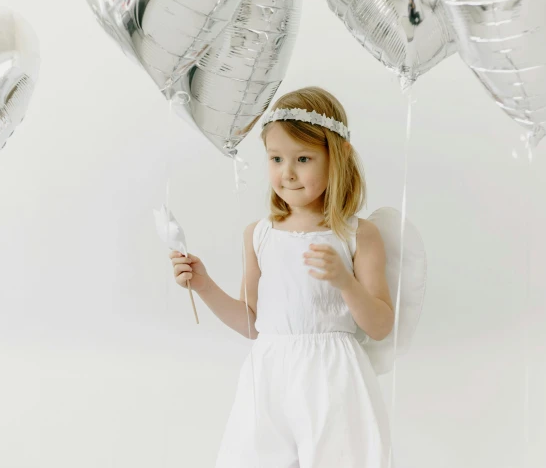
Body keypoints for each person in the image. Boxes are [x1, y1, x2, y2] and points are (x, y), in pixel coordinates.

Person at [169, 86, 395, 467]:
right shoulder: (259, 234)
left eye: (303, 158)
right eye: (275, 158)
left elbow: (380, 325)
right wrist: (204, 285)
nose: (286, 173)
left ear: (338, 157)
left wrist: (345, 282)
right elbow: (253, 323)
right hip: (269, 375)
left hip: (333, 377)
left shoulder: (358, 234)